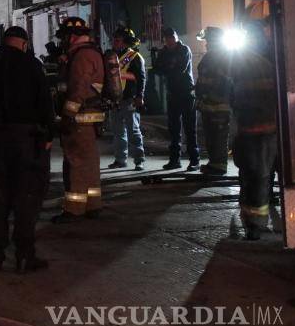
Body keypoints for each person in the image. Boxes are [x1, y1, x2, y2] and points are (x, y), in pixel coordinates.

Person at [0, 26, 55, 274]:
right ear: (23, 43)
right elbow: (44, 102)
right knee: (25, 200)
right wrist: (49, 133)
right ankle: (24, 256)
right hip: (26, 140)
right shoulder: (31, 64)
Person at [51, 17, 105, 223]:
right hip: (88, 117)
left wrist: (67, 115)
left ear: (72, 36)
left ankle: (74, 209)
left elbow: (78, 89)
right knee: (89, 163)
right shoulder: (90, 53)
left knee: (76, 163)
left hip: (79, 118)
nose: (62, 41)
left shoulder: (81, 56)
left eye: (64, 37)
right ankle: (93, 205)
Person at [230, 4, 278, 240]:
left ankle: (252, 221)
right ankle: (256, 224)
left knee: (252, 175)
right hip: (265, 127)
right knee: (259, 176)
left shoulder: (243, 58)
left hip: (250, 126)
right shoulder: (270, 55)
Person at [152, 27, 200, 171]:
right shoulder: (164, 52)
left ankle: (194, 161)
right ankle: (175, 160)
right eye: (167, 39)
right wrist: (167, 66)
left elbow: (179, 68)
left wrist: (165, 67)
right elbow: (158, 70)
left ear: (176, 37)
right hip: (173, 94)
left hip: (186, 93)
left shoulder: (184, 50)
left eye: (171, 38)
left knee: (190, 128)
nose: (170, 41)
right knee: (174, 129)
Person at [106, 28, 146, 171]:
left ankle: (139, 160)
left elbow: (140, 78)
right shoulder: (111, 56)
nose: (114, 42)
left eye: (117, 40)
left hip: (129, 99)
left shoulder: (134, 57)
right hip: (115, 99)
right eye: (114, 39)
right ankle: (120, 159)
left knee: (133, 131)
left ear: (125, 42)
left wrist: (140, 96)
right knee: (118, 132)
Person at [195, 27, 232, 176]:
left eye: (208, 41)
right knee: (211, 136)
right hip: (209, 105)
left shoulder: (223, 57)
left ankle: (220, 166)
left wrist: (205, 92)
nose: (206, 44)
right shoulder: (211, 56)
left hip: (219, 105)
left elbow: (223, 82)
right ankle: (214, 164)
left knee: (219, 136)